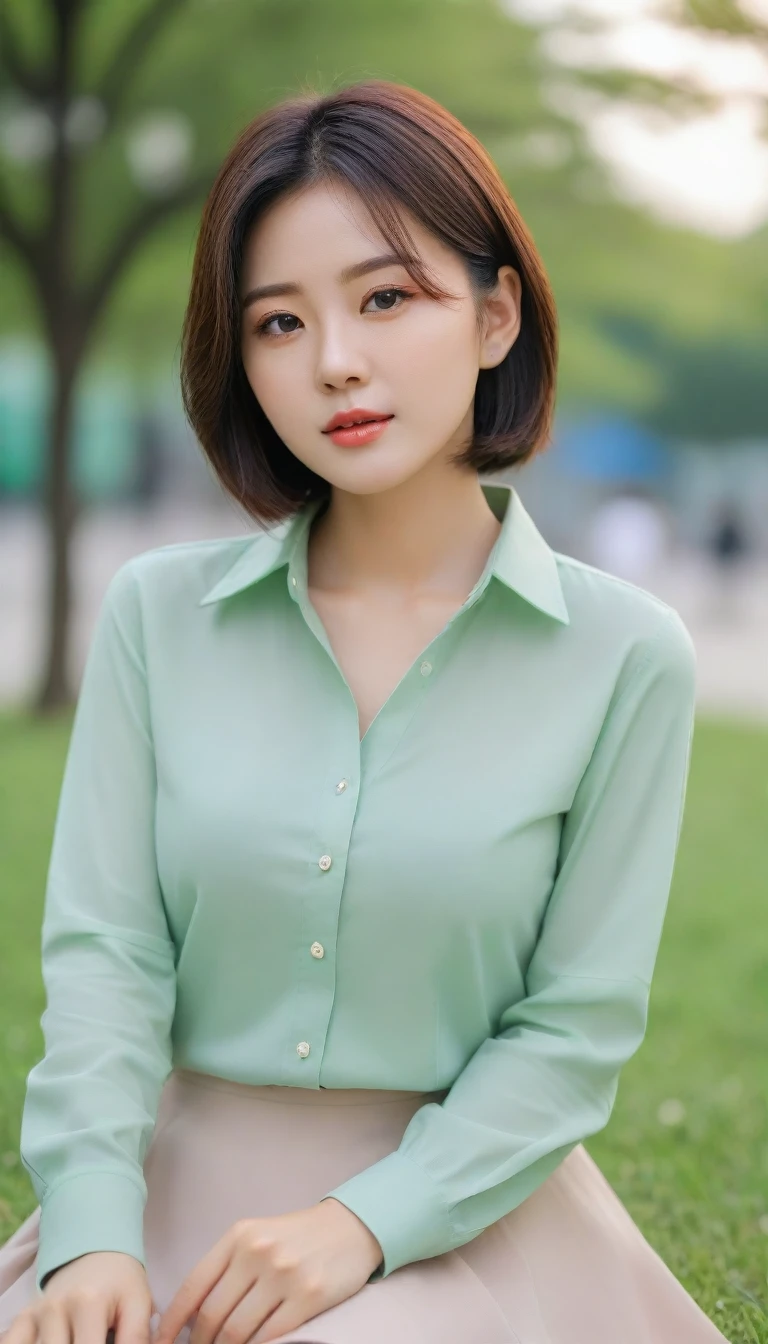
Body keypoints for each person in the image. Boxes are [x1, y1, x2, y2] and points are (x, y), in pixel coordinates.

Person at [0, 80, 729, 1344]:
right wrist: (91, 1230)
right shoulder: (156, 619)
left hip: (459, 1225)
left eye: (386, 298)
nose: (334, 360)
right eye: (278, 323)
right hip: (164, 1208)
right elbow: (107, 962)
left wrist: (363, 1225)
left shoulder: (626, 658)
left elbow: (571, 1031)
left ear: (497, 314)